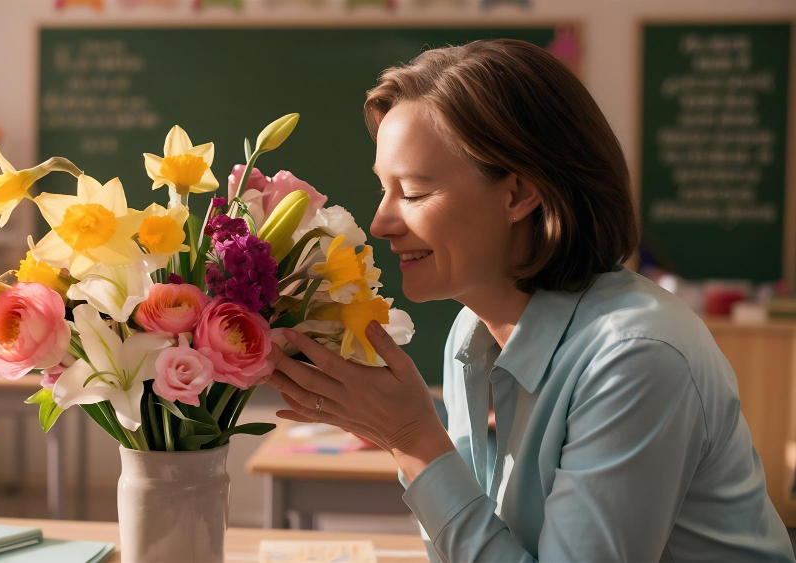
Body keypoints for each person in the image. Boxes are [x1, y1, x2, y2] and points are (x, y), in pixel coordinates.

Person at [266, 39, 795, 562]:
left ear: (519, 194)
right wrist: (405, 438)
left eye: (414, 192)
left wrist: (410, 440)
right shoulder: (470, 334)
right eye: (384, 189)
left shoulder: (637, 357)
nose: (380, 222)